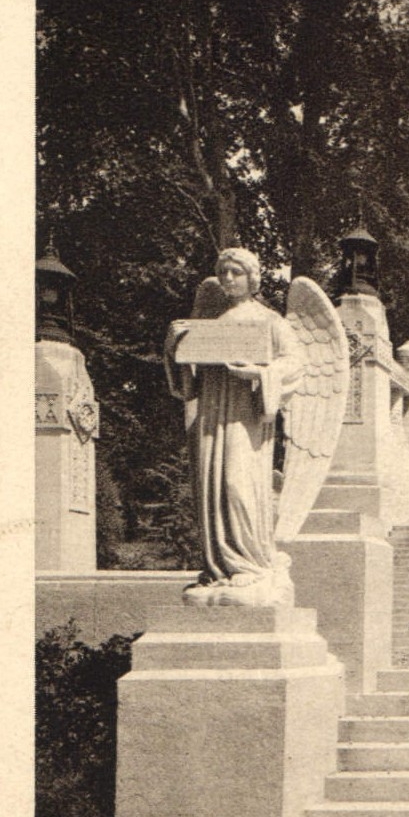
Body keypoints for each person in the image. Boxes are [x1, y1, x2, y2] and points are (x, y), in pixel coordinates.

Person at [164, 247, 304, 606]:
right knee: (213, 489)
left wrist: (259, 373)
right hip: (212, 415)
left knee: (236, 483)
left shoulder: (270, 321)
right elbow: (187, 386)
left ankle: (251, 564)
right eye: (223, 272)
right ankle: (219, 569)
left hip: (246, 416)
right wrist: (173, 347)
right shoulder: (208, 325)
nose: (228, 278)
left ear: (252, 278)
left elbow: (295, 365)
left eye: (235, 273)